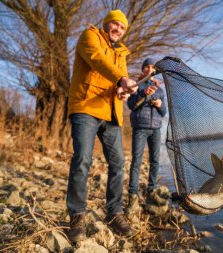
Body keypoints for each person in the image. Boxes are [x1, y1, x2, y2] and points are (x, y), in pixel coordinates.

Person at [66, 9, 138, 243]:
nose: (118, 29)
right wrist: (121, 79)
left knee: (118, 163)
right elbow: (97, 60)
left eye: (122, 27)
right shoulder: (90, 36)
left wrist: (122, 91)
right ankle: (77, 216)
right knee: (82, 159)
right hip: (86, 107)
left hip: (112, 114)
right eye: (115, 24)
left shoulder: (123, 53)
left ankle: (114, 212)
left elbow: (119, 79)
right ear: (107, 24)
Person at [126, 58, 167, 213]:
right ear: (143, 69)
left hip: (156, 128)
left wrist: (159, 105)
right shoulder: (136, 86)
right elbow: (131, 106)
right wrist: (143, 93)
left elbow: (164, 112)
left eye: (152, 67)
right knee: (136, 161)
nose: (150, 69)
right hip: (140, 128)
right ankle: (133, 197)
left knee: (155, 161)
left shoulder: (160, 90)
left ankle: (151, 192)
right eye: (147, 67)